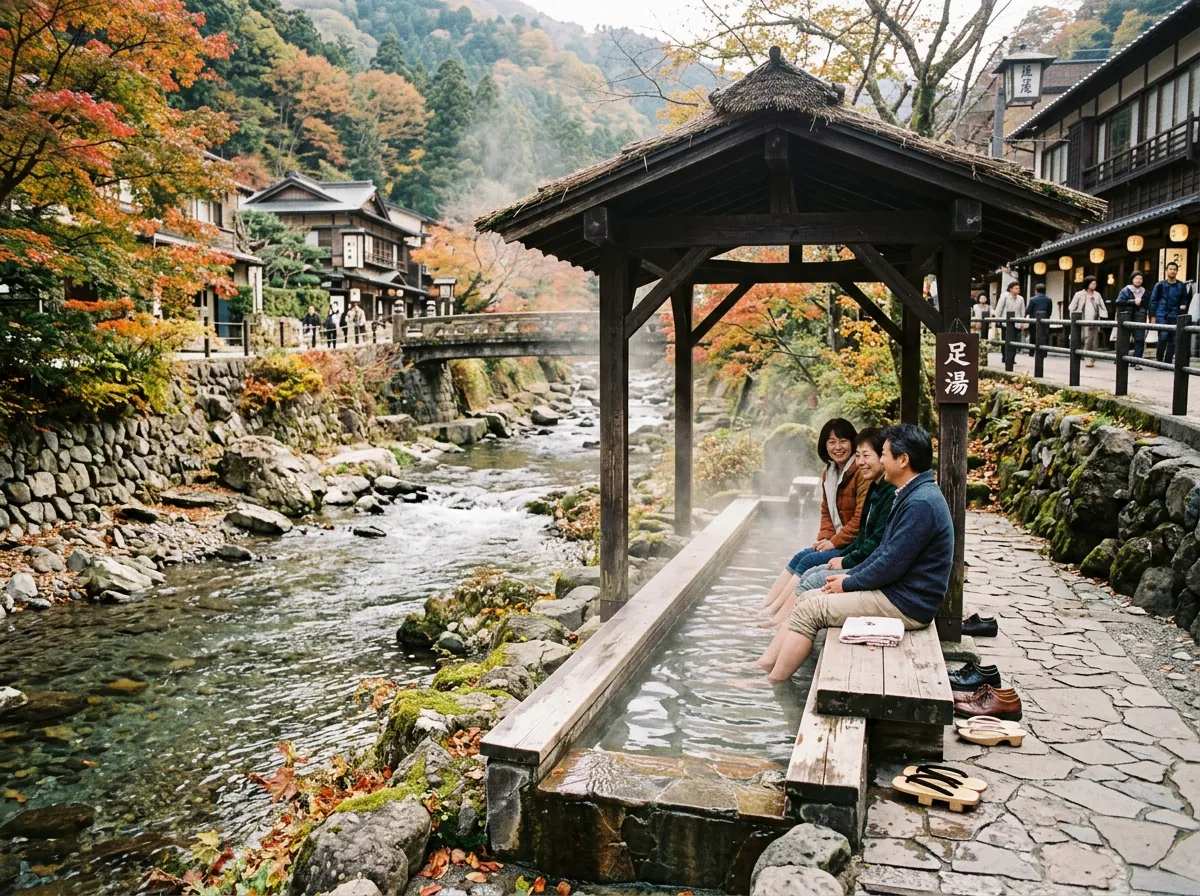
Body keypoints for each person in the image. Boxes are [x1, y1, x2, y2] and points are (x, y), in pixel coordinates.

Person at [756, 424, 953, 684]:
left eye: (883, 454)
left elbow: (890, 564)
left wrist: (848, 582)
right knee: (806, 599)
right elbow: (885, 553)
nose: (881, 460)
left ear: (903, 459)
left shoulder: (920, 503)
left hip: (907, 603)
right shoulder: (913, 493)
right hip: (899, 592)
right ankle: (765, 664)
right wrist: (849, 577)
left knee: (810, 610)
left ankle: (771, 681)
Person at [764, 427, 897, 628]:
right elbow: (827, 510)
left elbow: (865, 532)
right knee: (803, 559)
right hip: (854, 549)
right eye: (831, 442)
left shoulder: (876, 484)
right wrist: (826, 538)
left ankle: (779, 621)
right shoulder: (842, 476)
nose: (838, 447)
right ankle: (772, 610)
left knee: (810, 567)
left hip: (856, 553)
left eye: (843, 441)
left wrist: (839, 550)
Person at [1151, 261, 1191, 364]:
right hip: (1161, 313)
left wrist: (1183, 305)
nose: (1172, 271)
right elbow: (1153, 300)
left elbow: (1184, 298)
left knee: (1173, 340)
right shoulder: (1160, 285)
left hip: (1175, 313)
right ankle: (1159, 359)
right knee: (1163, 337)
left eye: (1174, 269)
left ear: (1177, 271)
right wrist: (1152, 315)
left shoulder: (1181, 285)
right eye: (1170, 269)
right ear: (1166, 270)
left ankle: (1168, 361)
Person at [1068, 277, 1108, 367]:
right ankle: (1087, 357)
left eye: (1095, 284)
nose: (1094, 285)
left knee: (1094, 340)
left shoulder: (1097, 295)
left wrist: (1103, 316)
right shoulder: (1079, 294)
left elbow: (1102, 307)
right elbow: (1071, 307)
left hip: (1094, 320)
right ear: (1087, 284)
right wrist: (1074, 317)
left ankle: (1092, 358)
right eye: (1092, 283)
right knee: (1087, 339)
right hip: (1083, 319)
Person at [1115, 272, 1148, 369]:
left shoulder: (1144, 291)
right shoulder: (1126, 290)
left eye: (1140, 279)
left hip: (1140, 317)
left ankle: (1137, 361)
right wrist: (1133, 302)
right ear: (1132, 279)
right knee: (1124, 338)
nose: (1138, 280)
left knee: (1140, 338)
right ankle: (1121, 359)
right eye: (1136, 278)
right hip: (1127, 316)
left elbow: (1148, 303)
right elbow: (1118, 301)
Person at [994, 281, 1026, 350]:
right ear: (1010, 289)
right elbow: (999, 308)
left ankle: (1013, 355)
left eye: (1019, 288)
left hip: (1017, 322)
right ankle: (1004, 354)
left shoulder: (1021, 298)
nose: (1018, 290)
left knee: (1014, 340)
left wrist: (1023, 322)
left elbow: (1022, 311)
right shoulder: (1004, 296)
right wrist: (997, 320)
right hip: (1005, 321)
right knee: (1005, 339)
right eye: (1016, 288)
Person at [1025, 283, 1054, 356]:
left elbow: (1028, 310)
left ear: (1036, 291)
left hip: (1034, 321)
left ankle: (1031, 352)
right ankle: (1044, 352)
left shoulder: (1032, 299)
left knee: (1033, 336)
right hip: (1045, 321)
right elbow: (1049, 311)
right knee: (1044, 336)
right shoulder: (1049, 300)